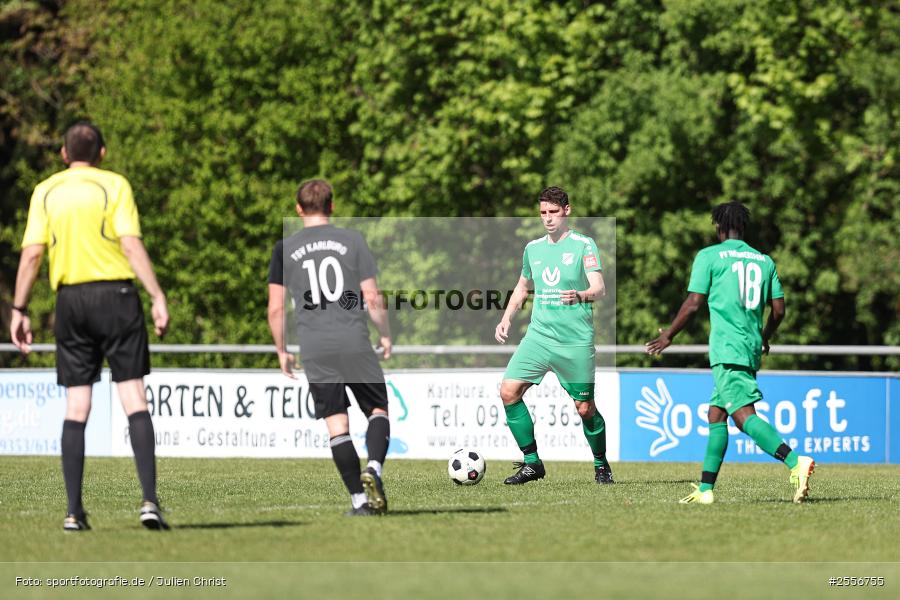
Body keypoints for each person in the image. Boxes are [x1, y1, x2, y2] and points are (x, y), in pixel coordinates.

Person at [9, 121, 170, 530]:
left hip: (71, 301)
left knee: (77, 405)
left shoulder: (45, 191)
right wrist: (156, 294)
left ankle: (73, 511)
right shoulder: (114, 186)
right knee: (134, 397)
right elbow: (131, 244)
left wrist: (19, 308)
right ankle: (149, 501)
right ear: (102, 153)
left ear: (63, 154)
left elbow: (31, 256)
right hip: (116, 297)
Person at [645, 201, 815, 504]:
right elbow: (779, 310)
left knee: (743, 415)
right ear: (742, 227)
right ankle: (706, 489)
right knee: (716, 414)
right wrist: (764, 336)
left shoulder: (709, 256)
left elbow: (694, 302)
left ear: (718, 226)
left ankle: (794, 462)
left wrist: (669, 335)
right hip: (748, 347)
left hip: (727, 348)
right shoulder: (764, 261)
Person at [267, 179, 392, 516]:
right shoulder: (352, 240)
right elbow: (372, 297)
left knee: (337, 426)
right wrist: (385, 333)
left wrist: (282, 350)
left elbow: (276, 308)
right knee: (378, 411)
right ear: (331, 206)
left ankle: (358, 501)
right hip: (352, 339)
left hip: (315, 345)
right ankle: (374, 470)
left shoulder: (284, 248)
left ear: (298, 209)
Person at [494, 186, 611, 485]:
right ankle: (532, 463)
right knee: (508, 391)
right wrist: (506, 317)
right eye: (543, 212)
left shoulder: (584, 245)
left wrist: (581, 295)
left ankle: (601, 465)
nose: (548, 218)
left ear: (567, 211)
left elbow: (599, 288)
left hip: (575, 341)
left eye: (553, 212)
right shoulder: (533, 248)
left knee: (585, 408)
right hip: (539, 337)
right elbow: (522, 287)